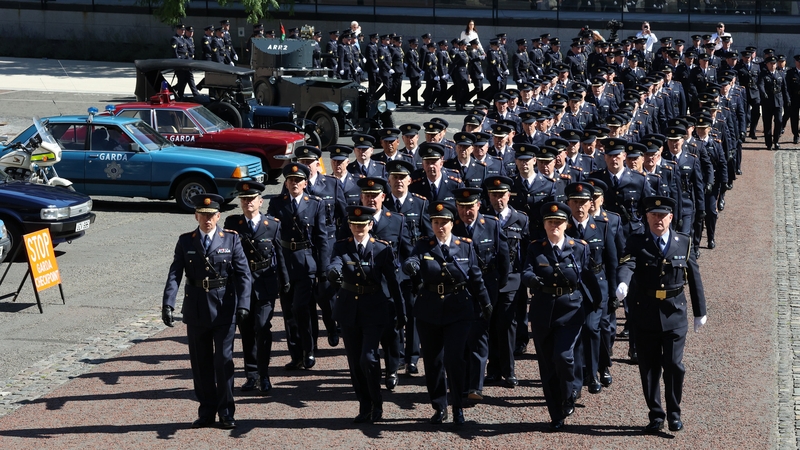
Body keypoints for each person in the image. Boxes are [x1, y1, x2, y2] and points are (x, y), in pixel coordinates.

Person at [616, 196, 707, 433]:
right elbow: (627, 264)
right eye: (653, 215)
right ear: (647, 218)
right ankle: (656, 414)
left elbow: (694, 278)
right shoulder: (637, 241)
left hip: (674, 312)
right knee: (649, 367)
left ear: (671, 217)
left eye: (662, 215)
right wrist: (623, 283)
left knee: (674, 365)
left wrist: (700, 312)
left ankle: (675, 413)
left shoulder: (683, 242)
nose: (658, 219)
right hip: (645, 311)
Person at [162, 193, 252, 429]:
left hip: (224, 308)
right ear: (196, 215)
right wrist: (168, 303)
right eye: (203, 215)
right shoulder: (186, 241)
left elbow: (244, 275)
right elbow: (175, 273)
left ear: (218, 216)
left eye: (211, 215)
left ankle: (226, 411)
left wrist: (244, 305)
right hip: (196, 308)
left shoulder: (231, 240)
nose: (207, 219)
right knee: (200, 364)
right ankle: (206, 411)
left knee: (223, 361)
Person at [402, 201, 493, 426]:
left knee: (454, 359)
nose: (440, 227)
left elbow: (475, 277)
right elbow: (412, 259)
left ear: (453, 224)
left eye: (444, 223)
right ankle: (439, 406)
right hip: (429, 310)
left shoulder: (465, 246)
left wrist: (486, 304)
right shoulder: (424, 245)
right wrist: (410, 266)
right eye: (435, 222)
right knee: (433, 362)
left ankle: (458, 407)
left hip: (458, 309)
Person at [522, 201, 602, 432]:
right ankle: (556, 413)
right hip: (543, 311)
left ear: (566, 224)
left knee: (564, 356)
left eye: (558, 222)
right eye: (550, 222)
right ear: (544, 225)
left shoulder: (579, 247)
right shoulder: (536, 247)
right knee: (547, 366)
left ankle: (569, 395)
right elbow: (526, 270)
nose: (554, 226)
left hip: (571, 310)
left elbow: (589, 277)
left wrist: (596, 304)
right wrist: (531, 280)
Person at [327, 205, 405, 424]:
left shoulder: (382, 249)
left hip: (374, 308)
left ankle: (377, 402)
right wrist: (333, 272)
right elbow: (334, 264)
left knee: (368, 358)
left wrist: (401, 312)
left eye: (362, 225)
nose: (358, 228)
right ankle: (365, 405)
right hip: (349, 310)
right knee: (354, 361)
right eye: (354, 225)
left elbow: (393, 282)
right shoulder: (341, 247)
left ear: (370, 225)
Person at [223, 181, 288, 395]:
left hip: (265, 283)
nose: (248, 203)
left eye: (251, 199)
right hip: (242, 285)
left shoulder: (273, 225)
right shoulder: (233, 223)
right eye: (244, 200)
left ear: (260, 201)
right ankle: (251, 375)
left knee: (262, 326)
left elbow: (280, 254)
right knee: (247, 330)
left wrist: (285, 280)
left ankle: (264, 374)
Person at [267, 163, 330, 370]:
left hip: (306, 262)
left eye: (298, 181)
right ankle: (296, 354)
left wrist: (323, 270)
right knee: (288, 311)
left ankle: (309, 350)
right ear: (286, 183)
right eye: (291, 180)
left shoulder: (315, 204)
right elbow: (271, 234)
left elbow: (321, 238)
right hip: (285, 262)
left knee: (302, 307)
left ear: (305, 183)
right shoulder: (277, 204)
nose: (294, 184)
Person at [759, 55, 791, 150]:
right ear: (767, 64)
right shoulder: (763, 74)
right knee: (767, 123)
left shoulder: (780, 74)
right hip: (767, 102)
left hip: (778, 101)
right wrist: (763, 93)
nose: (773, 65)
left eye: (774, 64)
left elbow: (784, 88)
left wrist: (787, 99)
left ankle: (776, 141)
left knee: (779, 121)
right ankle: (768, 143)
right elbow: (761, 85)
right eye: (771, 64)